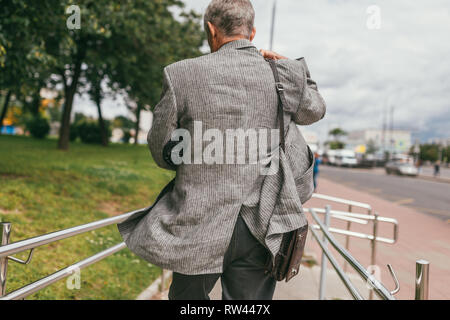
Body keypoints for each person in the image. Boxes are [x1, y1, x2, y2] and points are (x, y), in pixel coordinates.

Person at [117, 0, 326, 300]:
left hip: (196, 223)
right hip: (262, 222)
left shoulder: (180, 74)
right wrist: (293, 70)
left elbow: (161, 147)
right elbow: (314, 111)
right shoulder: (280, 75)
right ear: (251, 33)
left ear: (211, 30)